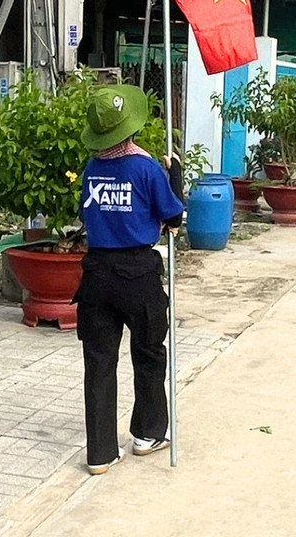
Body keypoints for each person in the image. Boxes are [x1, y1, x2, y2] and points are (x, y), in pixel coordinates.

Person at [74, 84, 185, 475]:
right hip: (137, 273)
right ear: (132, 128)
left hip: (97, 274)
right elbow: (172, 217)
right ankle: (148, 433)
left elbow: (86, 214)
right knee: (149, 352)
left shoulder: (92, 168)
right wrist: (174, 179)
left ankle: (100, 452)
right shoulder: (144, 167)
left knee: (99, 363)